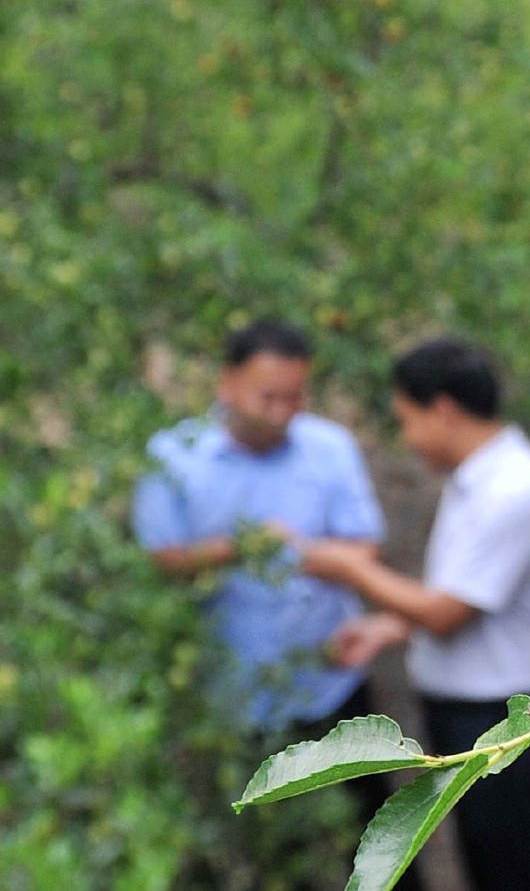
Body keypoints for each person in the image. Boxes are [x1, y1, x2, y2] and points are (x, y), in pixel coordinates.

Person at [131, 318, 413, 882]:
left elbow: (364, 546)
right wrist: (238, 549)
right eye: (268, 396)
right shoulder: (174, 457)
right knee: (280, 858)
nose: (283, 410)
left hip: (331, 683)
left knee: (383, 844)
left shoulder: (329, 447)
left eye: (295, 395)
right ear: (226, 384)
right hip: (236, 698)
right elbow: (160, 560)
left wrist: (301, 552)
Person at [296, 335, 530, 891]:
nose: (407, 439)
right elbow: (470, 595)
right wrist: (391, 625)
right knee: (496, 866)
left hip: (505, 720)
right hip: (476, 718)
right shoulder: (476, 480)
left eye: (407, 420)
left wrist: (351, 569)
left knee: (524, 875)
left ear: (443, 411)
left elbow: (448, 612)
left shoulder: (512, 490)